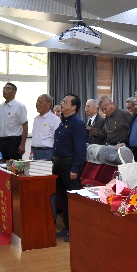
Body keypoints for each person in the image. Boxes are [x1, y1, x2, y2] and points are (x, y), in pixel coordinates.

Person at [53, 94, 87, 242]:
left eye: (65, 102)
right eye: (62, 101)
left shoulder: (77, 124)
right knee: (63, 198)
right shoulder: (63, 122)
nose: (62, 103)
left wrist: (75, 168)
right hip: (59, 164)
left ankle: (75, 229)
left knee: (72, 199)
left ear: (73, 107)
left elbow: (80, 150)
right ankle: (68, 228)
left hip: (69, 165)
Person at [0, 82, 28, 161]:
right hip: (0, 141)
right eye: (4, 89)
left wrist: (22, 144)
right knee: (0, 164)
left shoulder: (19, 106)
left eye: (8, 89)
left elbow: (25, 126)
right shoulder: (1, 107)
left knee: (13, 166)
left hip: (13, 142)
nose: (5, 90)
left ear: (14, 92)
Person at [31, 94, 60, 160]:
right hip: (34, 152)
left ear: (48, 104)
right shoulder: (36, 119)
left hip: (47, 152)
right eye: (37, 102)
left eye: (40, 102)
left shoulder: (54, 119)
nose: (37, 104)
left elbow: (58, 139)